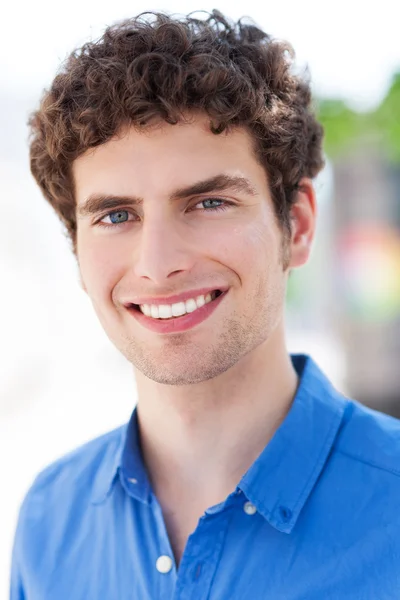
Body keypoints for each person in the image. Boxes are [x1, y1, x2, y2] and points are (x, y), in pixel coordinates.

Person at [10, 9, 400, 600]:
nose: (157, 263)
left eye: (208, 203)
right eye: (116, 216)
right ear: (77, 255)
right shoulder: (49, 521)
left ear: (295, 226)